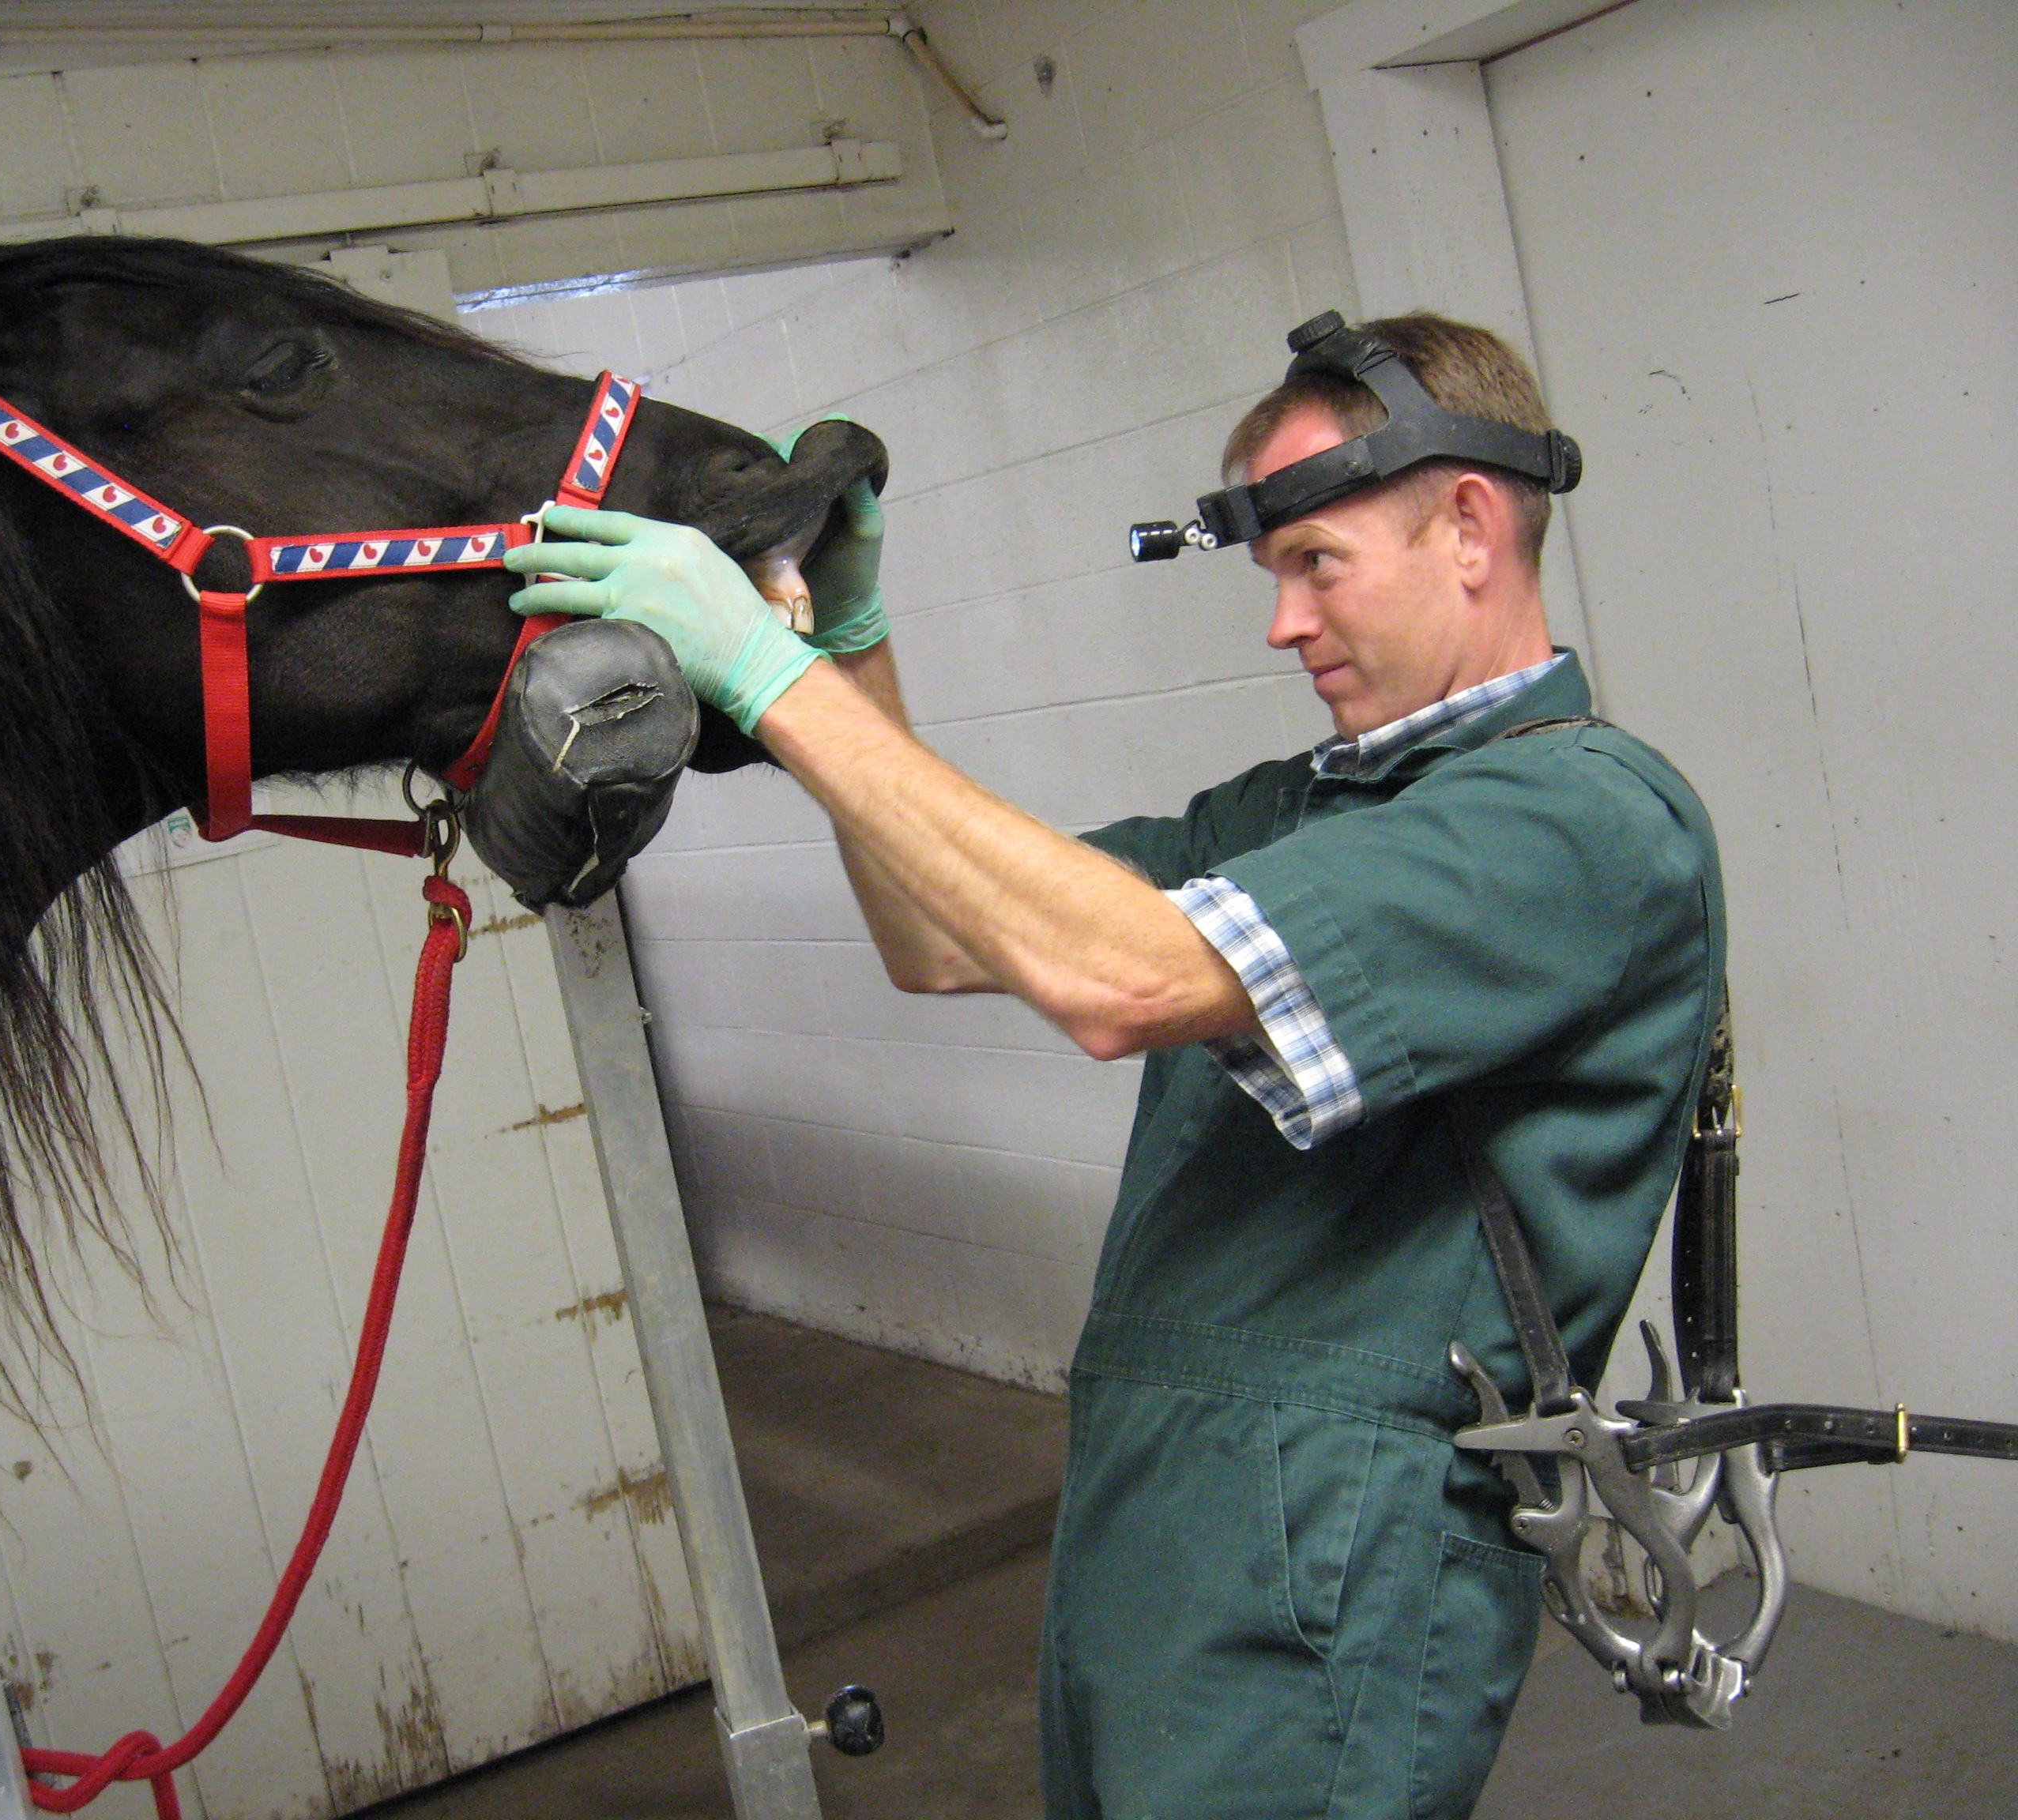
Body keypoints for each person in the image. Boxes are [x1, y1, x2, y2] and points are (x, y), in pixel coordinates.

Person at [502, 314, 1725, 1818]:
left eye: (1315, 565)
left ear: (1469, 525)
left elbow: (1115, 980)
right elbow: (942, 937)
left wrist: (762, 676)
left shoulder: (1581, 819)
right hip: (1158, 1514)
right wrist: (853, 653)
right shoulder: (1299, 809)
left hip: (1333, 1560)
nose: (1283, 625)